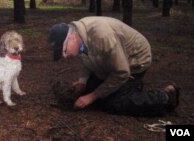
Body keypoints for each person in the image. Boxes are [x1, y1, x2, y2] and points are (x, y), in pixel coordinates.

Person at [48, 16, 180, 116]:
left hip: (134, 62)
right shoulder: (78, 35)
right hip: (109, 63)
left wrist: (92, 96)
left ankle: (164, 96)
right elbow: (86, 59)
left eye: (64, 51)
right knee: (87, 92)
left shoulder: (102, 37)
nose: (65, 56)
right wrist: (83, 81)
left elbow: (122, 72)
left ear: (71, 38)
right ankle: (128, 89)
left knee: (114, 103)